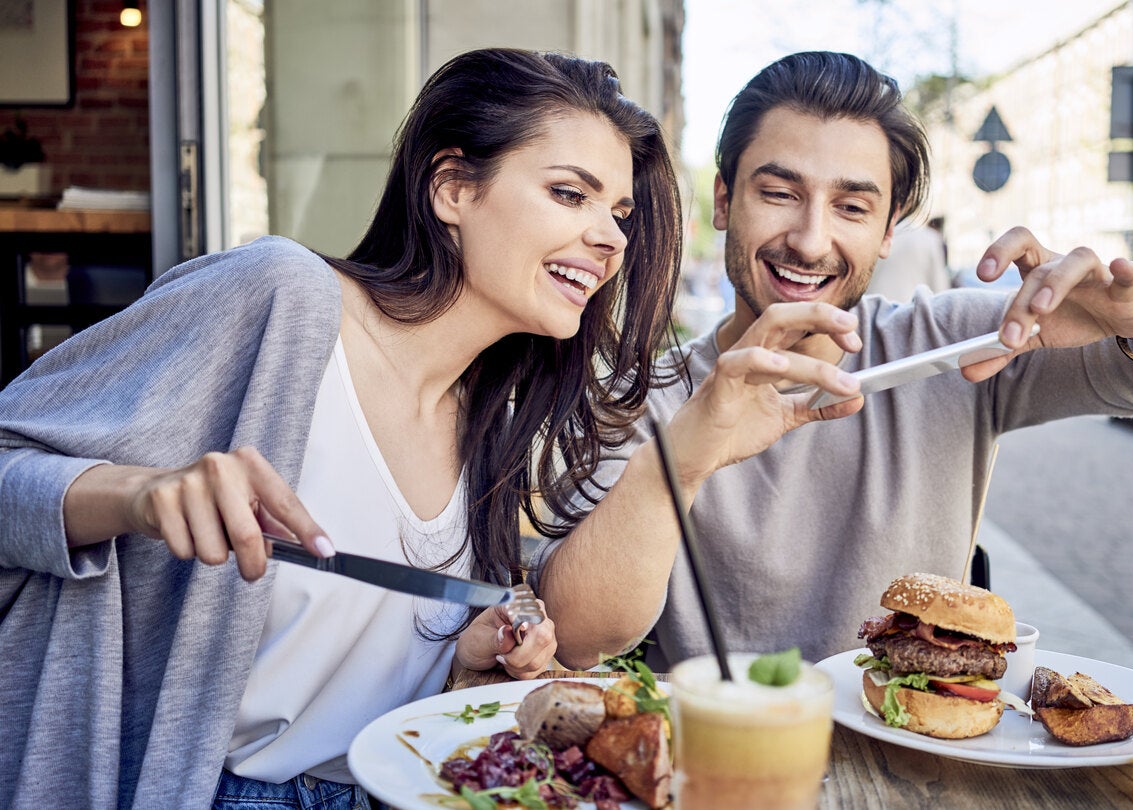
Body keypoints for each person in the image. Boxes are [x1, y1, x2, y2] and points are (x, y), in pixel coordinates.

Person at [0, 48, 777, 810]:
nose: (611, 239)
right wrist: (138, 494)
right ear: (450, 188)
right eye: (570, 194)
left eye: (619, 214)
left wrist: (463, 660)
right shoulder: (281, 300)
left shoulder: (489, 421)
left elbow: (366, 696)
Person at [537, 51, 1133, 672]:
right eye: (779, 193)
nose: (810, 239)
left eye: (853, 208)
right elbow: (577, 635)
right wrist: (686, 459)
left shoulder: (951, 345)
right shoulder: (639, 400)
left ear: (890, 231)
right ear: (725, 201)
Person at [865, 215, 950, 301]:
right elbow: (940, 290)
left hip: (871, 309)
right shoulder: (930, 239)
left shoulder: (867, 235)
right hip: (911, 309)